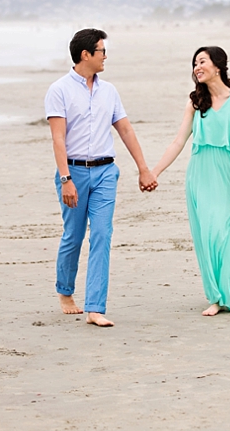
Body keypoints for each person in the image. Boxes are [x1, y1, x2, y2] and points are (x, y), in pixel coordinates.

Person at [45, 28, 157, 327]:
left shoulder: (110, 91)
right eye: (101, 51)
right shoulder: (59, 90)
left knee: (103, 235)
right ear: (86, 55)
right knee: (74, 235)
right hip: (74, 172)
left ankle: (95, 307)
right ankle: (65, 291)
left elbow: (125, 130)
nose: (105, 56)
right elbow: (58, 139)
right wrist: (66, 178)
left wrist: (143, 168)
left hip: (107, 171)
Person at [151, 46, 230, 316]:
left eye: (202, 62)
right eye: (194, 63)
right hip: (201, 176)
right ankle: (217, 296)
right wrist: (155, 171)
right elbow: (178, 141)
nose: (197, 68)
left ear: (217, 66)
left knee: (229, 232)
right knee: (209, 235)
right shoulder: (196, 103)